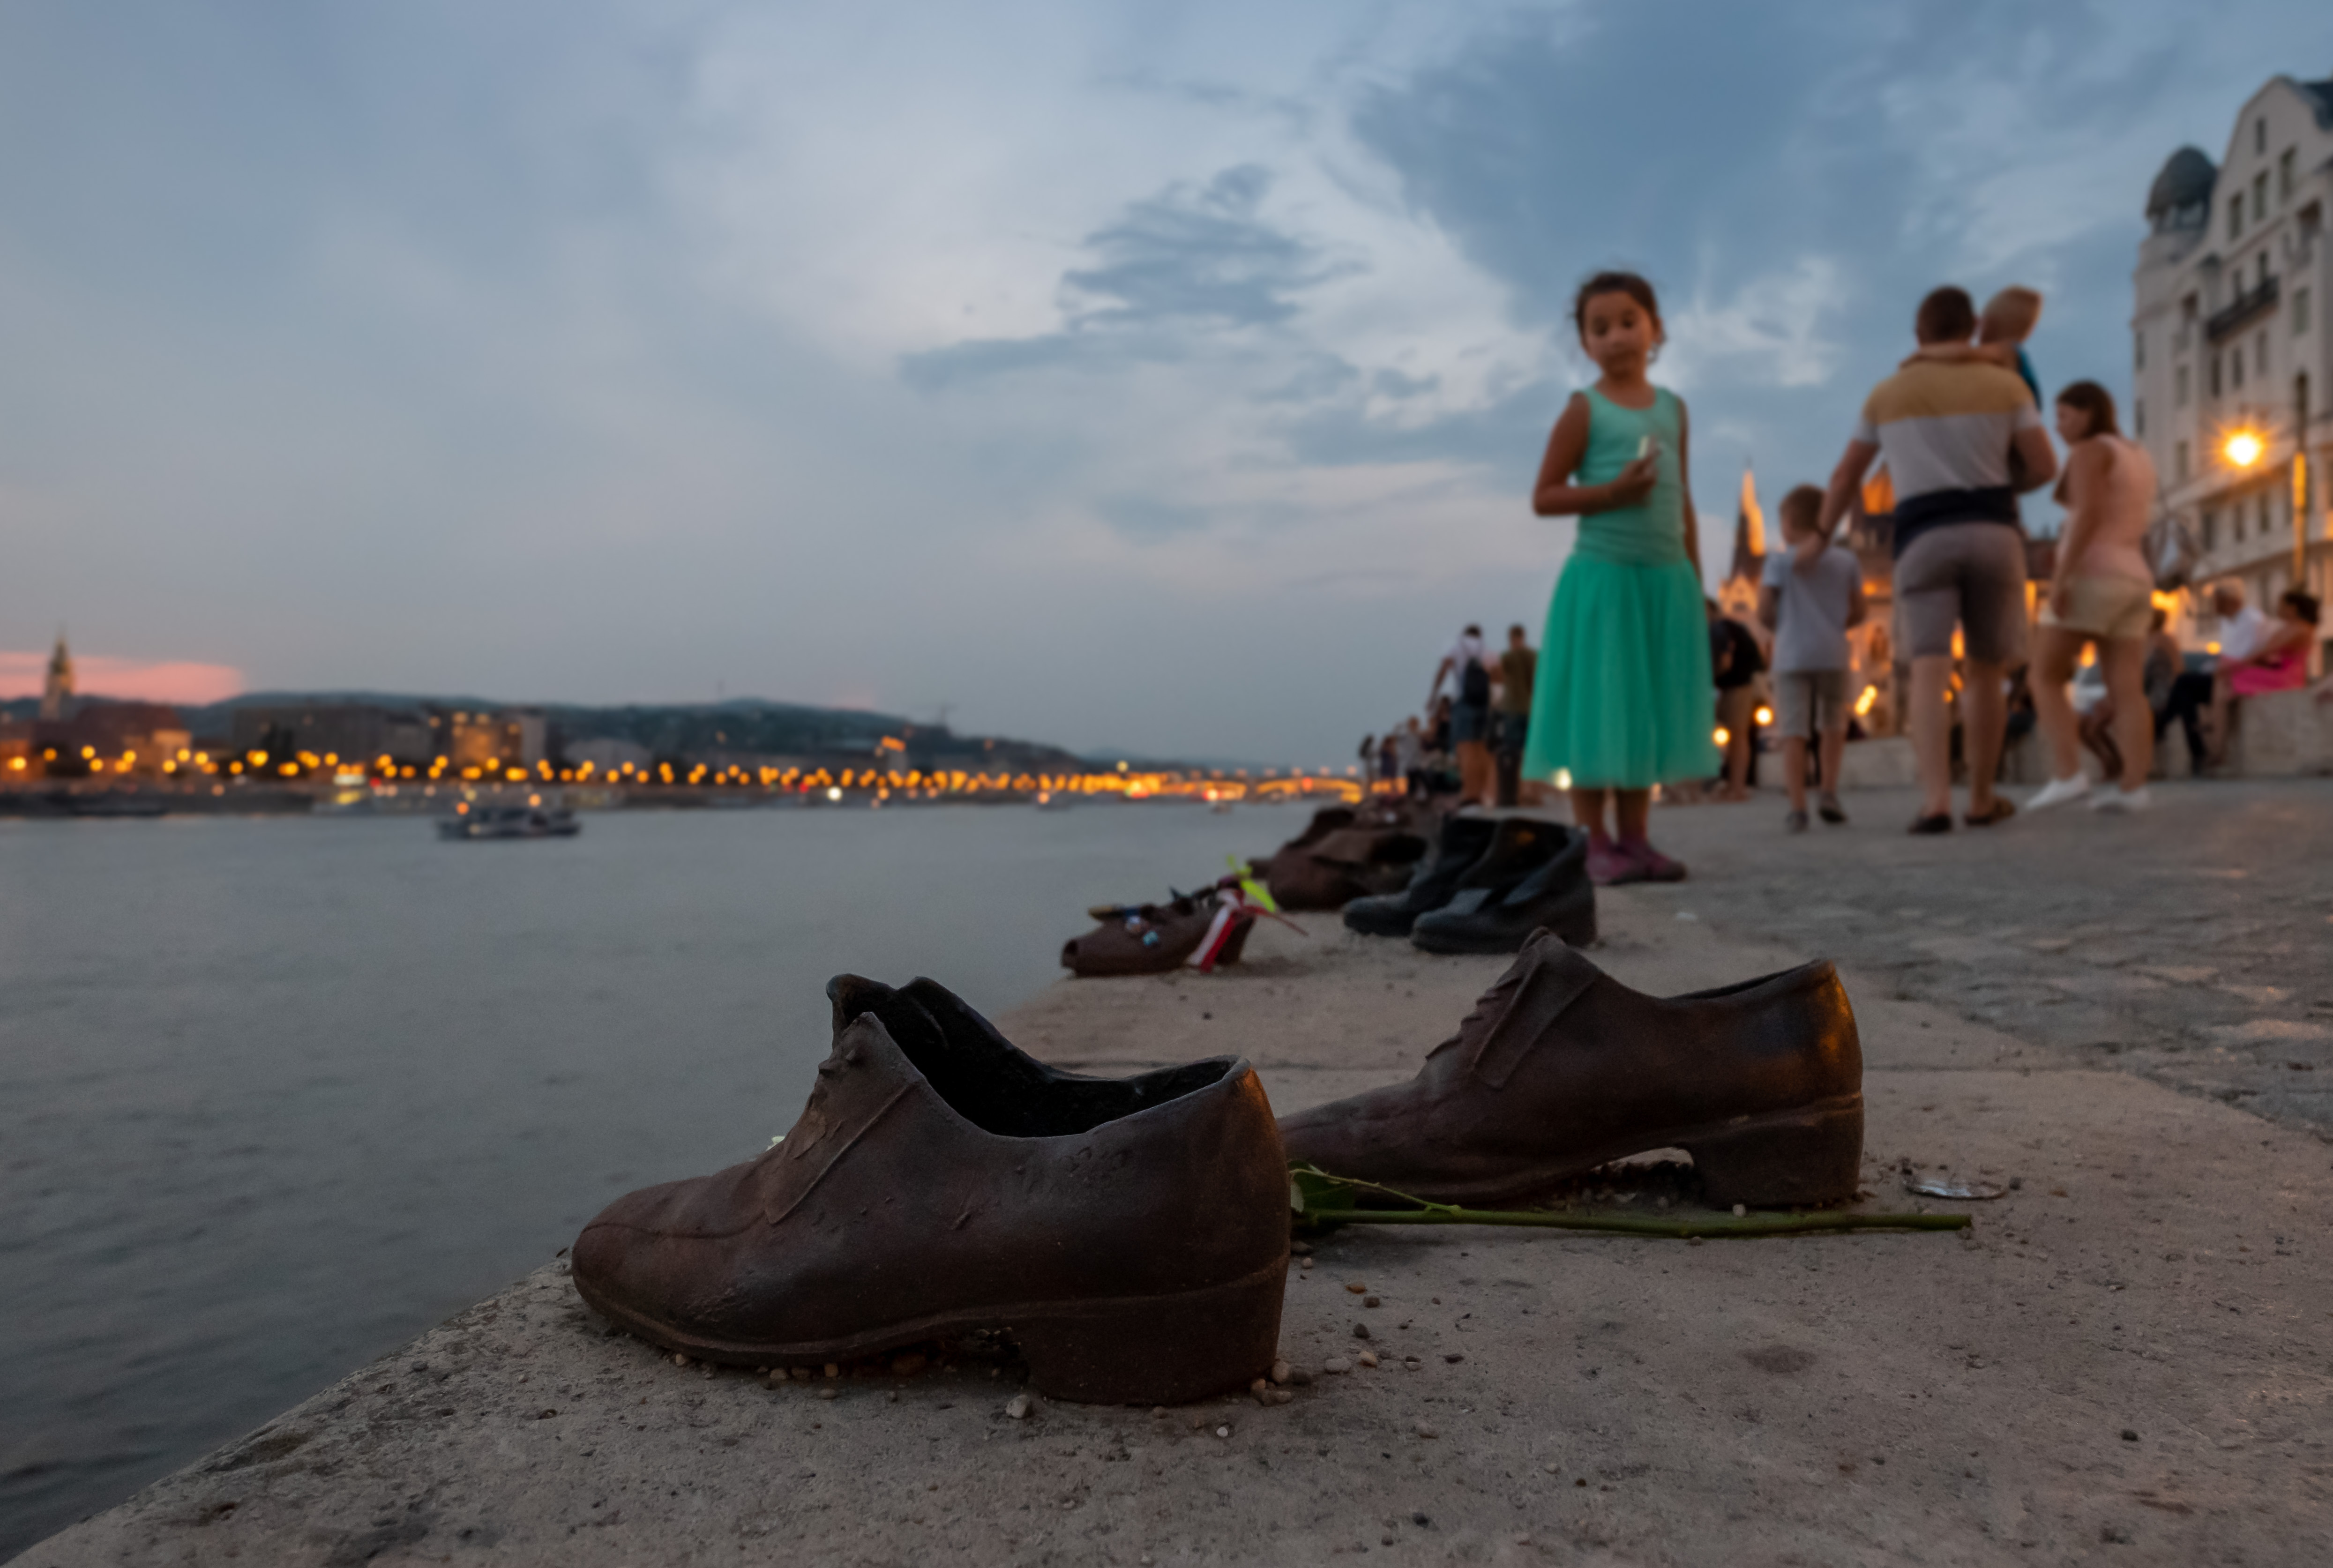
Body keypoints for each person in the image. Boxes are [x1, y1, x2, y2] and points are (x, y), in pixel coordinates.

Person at [1817, 285, 2058, 833]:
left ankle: (1935, 802)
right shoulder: (2005, 384)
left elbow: (1844, 477)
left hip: (1922, 537)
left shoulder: (1888, 393)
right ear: (1972, 325)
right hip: (1994, 531)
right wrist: (1997, 482)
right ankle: (1980, 796)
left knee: (1926, 670)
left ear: (1917, 334)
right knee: (1984, 670)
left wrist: (1816, 538)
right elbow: (2044, 466)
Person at [1525, 271, 1717, 884]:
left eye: (1627, 322)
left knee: (1646, 712)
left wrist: (1694, 575)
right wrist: (1613, 491)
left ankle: (1636, 839)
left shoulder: (1673, 409)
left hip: (1663, 577)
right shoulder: (1584, 408)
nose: (1615, 337)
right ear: (1584, 343)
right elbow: (1544, 496)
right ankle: (1593, 840)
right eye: (1599, 327)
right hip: (1603, 578)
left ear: (1655, 328)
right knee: (1598, 708)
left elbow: (1680, 493)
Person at [2025, 381, 2161, 814]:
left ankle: (2068, 774)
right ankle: (2134, 787)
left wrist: (2061, 580)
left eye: (2064, 416)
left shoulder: (2089, 453)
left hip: (2093, 575)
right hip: (2135, 577)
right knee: (2127, 688)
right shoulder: (2135, 454)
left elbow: (2088, 514)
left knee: (2043, 675)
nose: (2058, 426)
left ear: (2088, 413)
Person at [1759, 483, 1867, 831]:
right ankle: (1829, 793)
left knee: (1794, 731)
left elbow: (1763, 610)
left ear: (1789, 521)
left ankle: (1797, 807)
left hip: (1791, 654)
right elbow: (1861, 610)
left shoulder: (1779, 561)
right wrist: (1837, 625)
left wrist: (1782, 627)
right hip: (1834, 652)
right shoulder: (1847, 560)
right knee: (1833, 725)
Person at [2159, 582, 2266, 769]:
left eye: (2217, 602)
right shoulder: (2226, 622)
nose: (2214, 607)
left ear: (2230, 602)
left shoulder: (2253, 620)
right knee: (2185, 695)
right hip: (2223, 674)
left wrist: (2226, 667)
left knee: (2184, 684)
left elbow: (2256, 654)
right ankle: (2198, 751)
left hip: (2239, 674)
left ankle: (2162, 726)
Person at [2206, 590, 2322, 761]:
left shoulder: (2301, 629)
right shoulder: (2288, 628)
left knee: (2225, 680)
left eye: (2281, 605)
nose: (2277, 608)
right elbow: (2265, 653)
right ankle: (2216, 735)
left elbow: (2266, 651)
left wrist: (2234, 665)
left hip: (2286, 678)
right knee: (2223, 680)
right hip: (2277, 672)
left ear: (2293, 608)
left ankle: (2216, 740)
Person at [1430, 625, 1495, 806]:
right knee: (1482, 747)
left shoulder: (1456, 647)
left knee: (1465, 747)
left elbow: (1444, 669)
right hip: (1484, 703)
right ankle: (1484, 792)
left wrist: (1433, 695)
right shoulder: (1487, 650)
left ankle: (1469, 793)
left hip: (1463, 701)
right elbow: (1497, 675)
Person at [1707, 599, 1765, 802]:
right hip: (1738, 685)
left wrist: (1712, 678)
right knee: (1737, 737)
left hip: (1735, 686)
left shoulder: (1719, 629)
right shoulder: (1728, 628)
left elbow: (1725, 661)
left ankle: (1737, 788)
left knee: (1737, 737)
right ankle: (1734, 786)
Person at [1493, 624, 1539, 807]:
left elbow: (1497, 676)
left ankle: (1516, 793)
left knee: (1513, 754)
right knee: (1531, 753)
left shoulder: (1508, 657)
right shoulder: (1534, 656)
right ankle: (1532, 793)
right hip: (1531, 708)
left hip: (1512, 709)